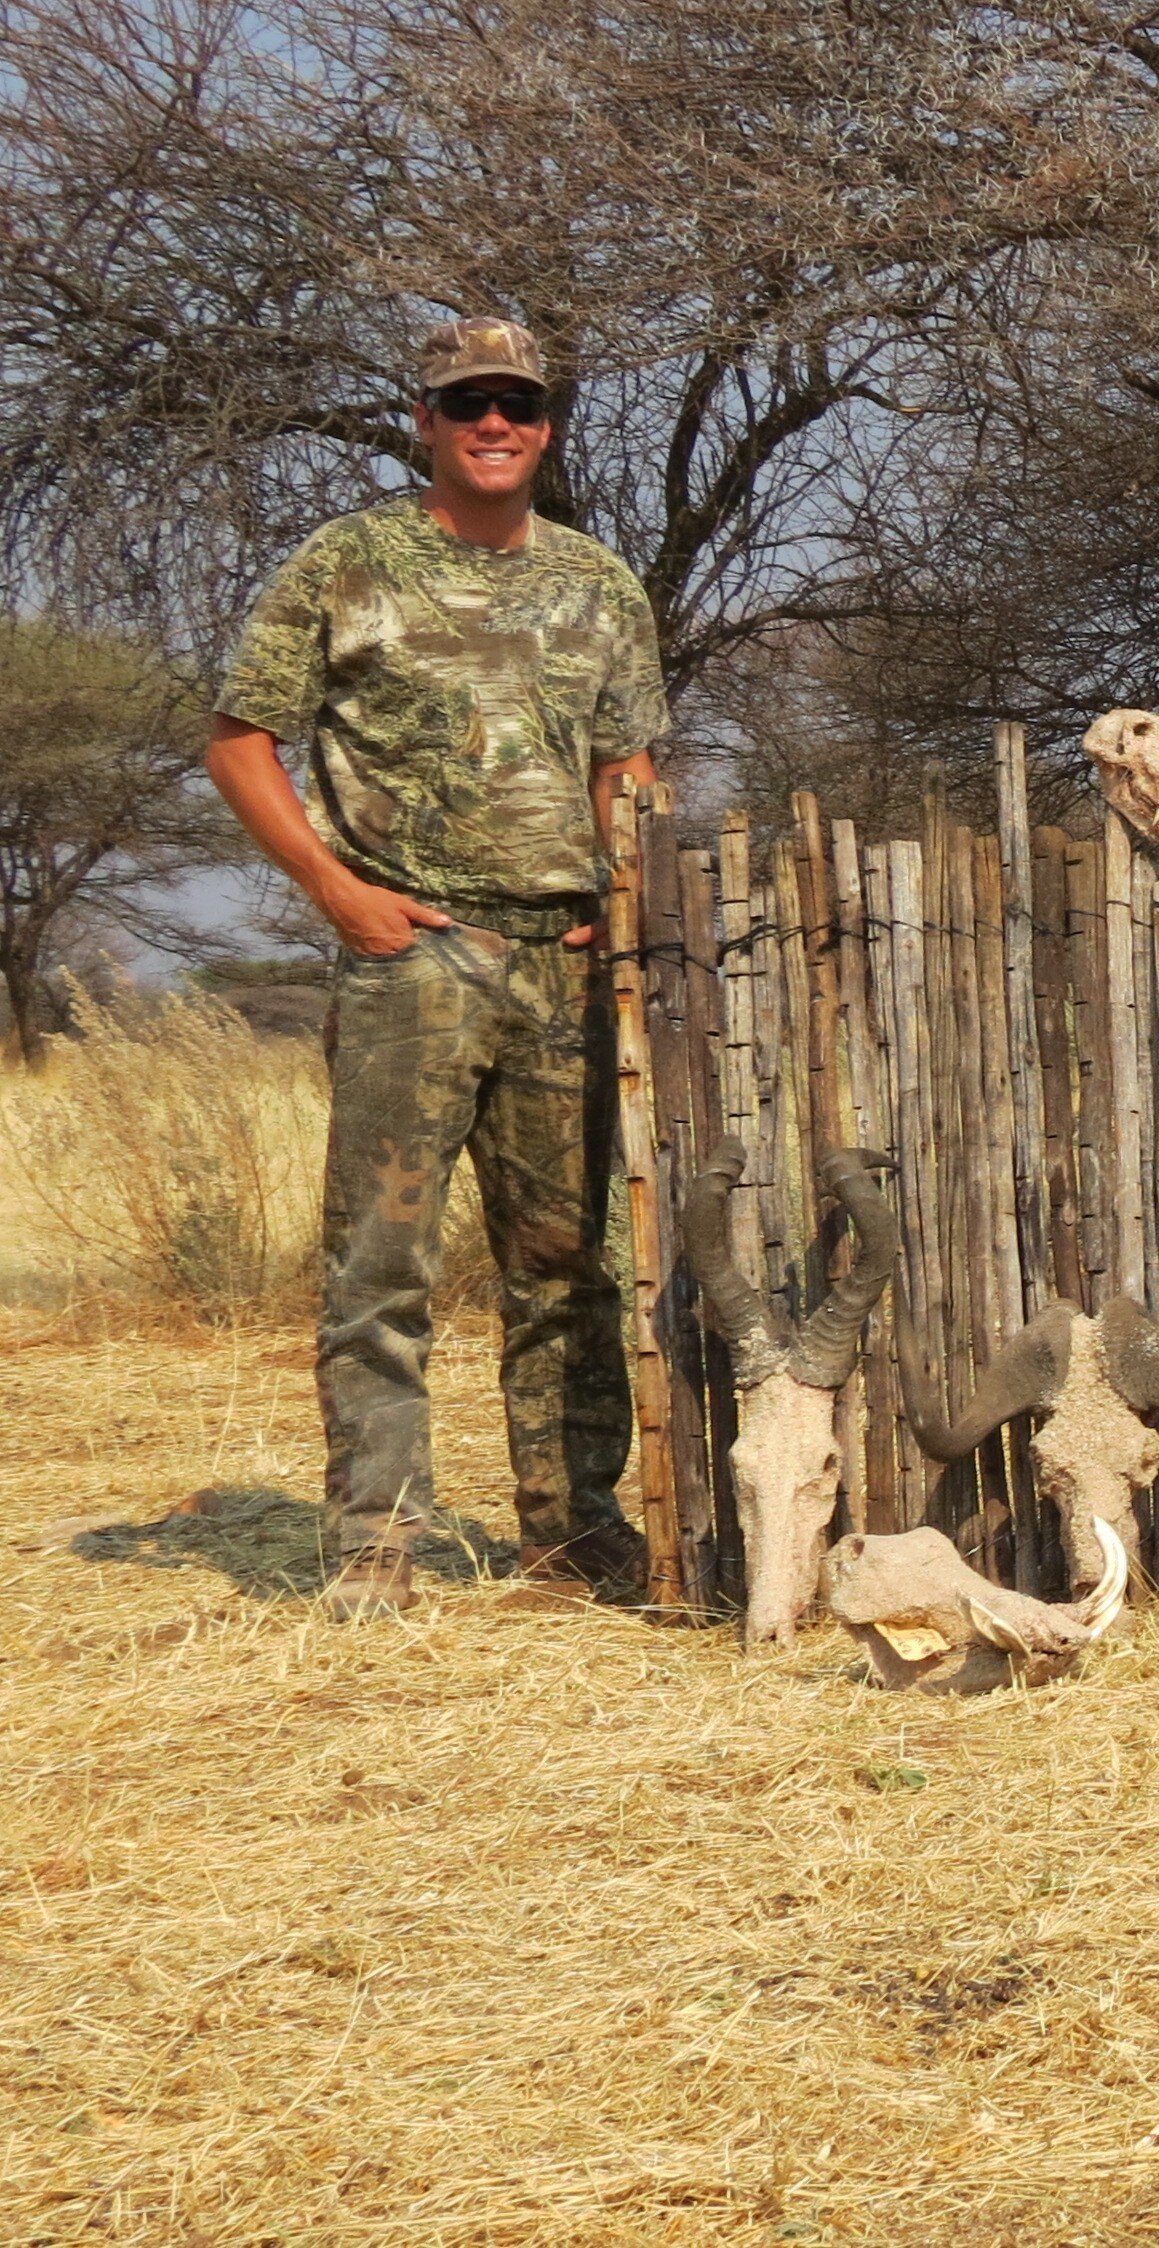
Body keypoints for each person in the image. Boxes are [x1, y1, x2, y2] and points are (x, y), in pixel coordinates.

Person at [208, 316, 667, 1620]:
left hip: (563, 970)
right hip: (412, 964)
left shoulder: (600, 582)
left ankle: (572, 1541)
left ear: (545, 424)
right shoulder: (346, 562)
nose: (493, 423)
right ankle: (376, 1556)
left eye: (516, 403)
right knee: (380, 1273)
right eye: (467, 401)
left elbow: (626, 768)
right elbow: (241, 741)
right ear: (425, 418)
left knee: (571, 1270)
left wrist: (621, 906)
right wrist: (340, 892)